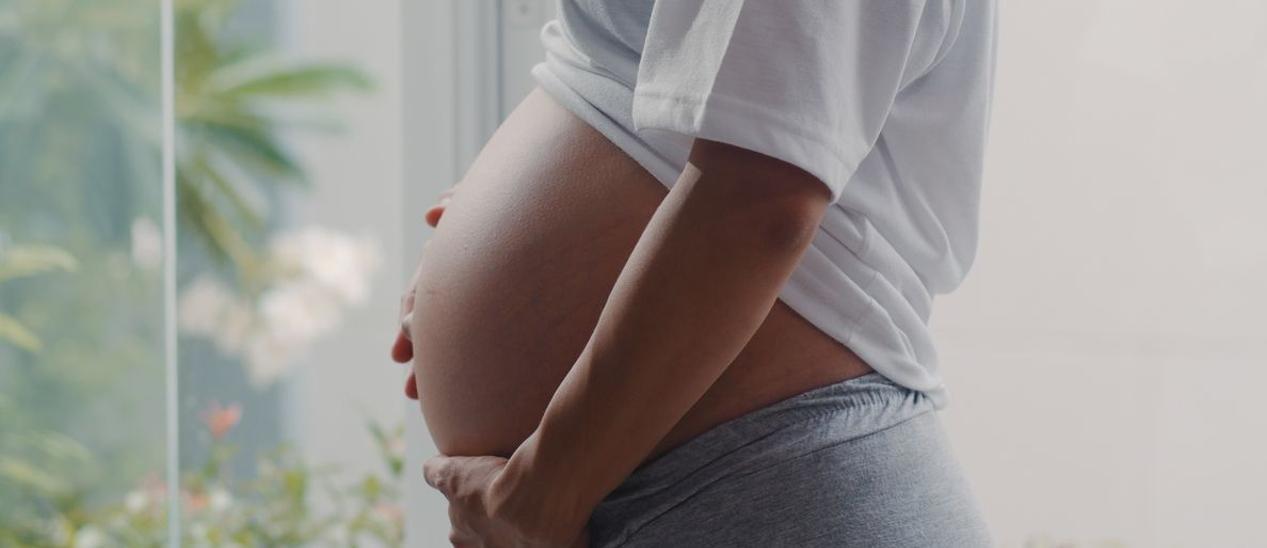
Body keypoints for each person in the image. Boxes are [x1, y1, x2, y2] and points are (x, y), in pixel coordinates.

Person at [392, 1, 998, 546]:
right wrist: (505, 212)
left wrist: (542, 494)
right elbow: (635, 64)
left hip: (765, 483)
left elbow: (760, 199)